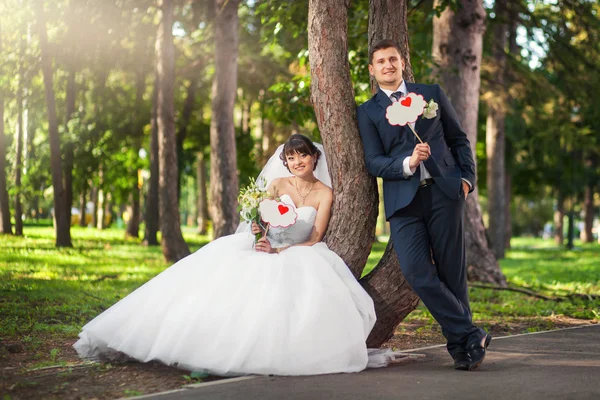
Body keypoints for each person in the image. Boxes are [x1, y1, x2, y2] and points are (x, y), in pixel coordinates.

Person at [74, 134, 379, 376]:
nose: (298, 161)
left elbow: (315, 236)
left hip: (300, 251)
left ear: (315, 157)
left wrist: (282, 249)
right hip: (264, 247)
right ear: (285, 162)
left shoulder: (325, 193)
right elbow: (258, 221)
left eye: (303, 154)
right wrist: (262, 239)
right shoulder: (276, 185)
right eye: (291, 156)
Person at [356, 39, 491, 371]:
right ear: (372, 71)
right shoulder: (368, 111)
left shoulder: (430, 93)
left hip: (445, 193)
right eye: (381, 61)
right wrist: (407, 163)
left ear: (402, 63)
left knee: (452, 273)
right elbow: (373, 162)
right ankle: (471, 332)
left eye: (393, 59)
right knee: (417, 271)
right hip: (404, 203)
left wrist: (466, 180)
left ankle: (463, 349)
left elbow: (459, 139)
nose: (388, 65)